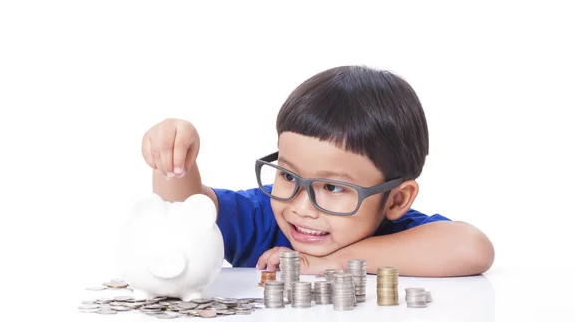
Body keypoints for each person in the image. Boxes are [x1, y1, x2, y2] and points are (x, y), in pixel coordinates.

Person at [142, 65, 495, 276]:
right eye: (289, 176)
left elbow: (473, 248)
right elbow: (181, 215)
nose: (301, 207)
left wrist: (328, 263)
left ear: (396, 199)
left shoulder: (400, 235)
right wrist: (174, 161)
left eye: (334, 188)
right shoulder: (262, 219)